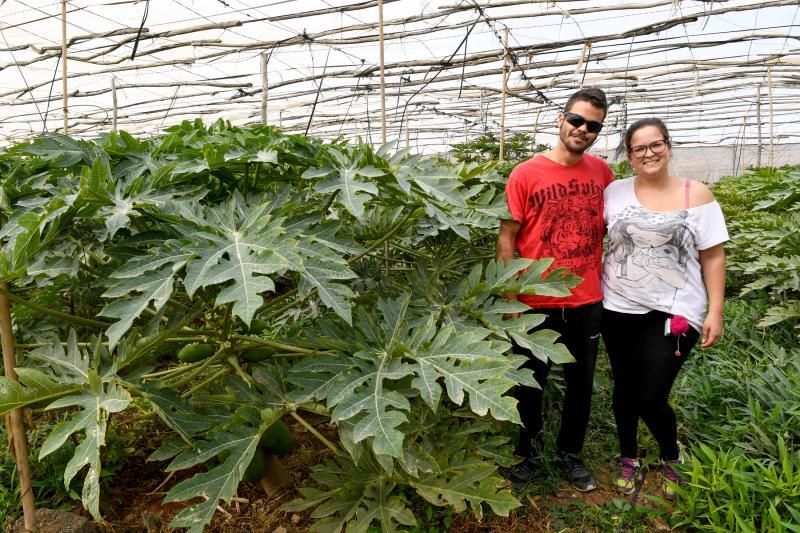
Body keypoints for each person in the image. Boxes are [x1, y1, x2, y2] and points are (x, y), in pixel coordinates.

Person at [601, 118, 727, 499]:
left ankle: (670, 457)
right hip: (617, 305)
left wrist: (716, 309)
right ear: (629, 155)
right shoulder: (614, 192)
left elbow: (714, 256)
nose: (648, 153)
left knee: (651, 396)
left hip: (675, 311)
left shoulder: (697, 194)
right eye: (638, 148)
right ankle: (629, 457)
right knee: (624, 389)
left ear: (668, 146)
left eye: (655, 145)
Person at [497, 87, 614, 491]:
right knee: (529, 381)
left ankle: (571, 455)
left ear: (599, 132)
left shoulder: (602, 172)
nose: (582, 129)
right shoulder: (525, 173)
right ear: (561, 119)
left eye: (593, 126)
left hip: (586, 299)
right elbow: (507, 237)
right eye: (577, 120)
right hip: (535, 299)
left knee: (580, 384)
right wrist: (509, 295)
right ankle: (527, 454)